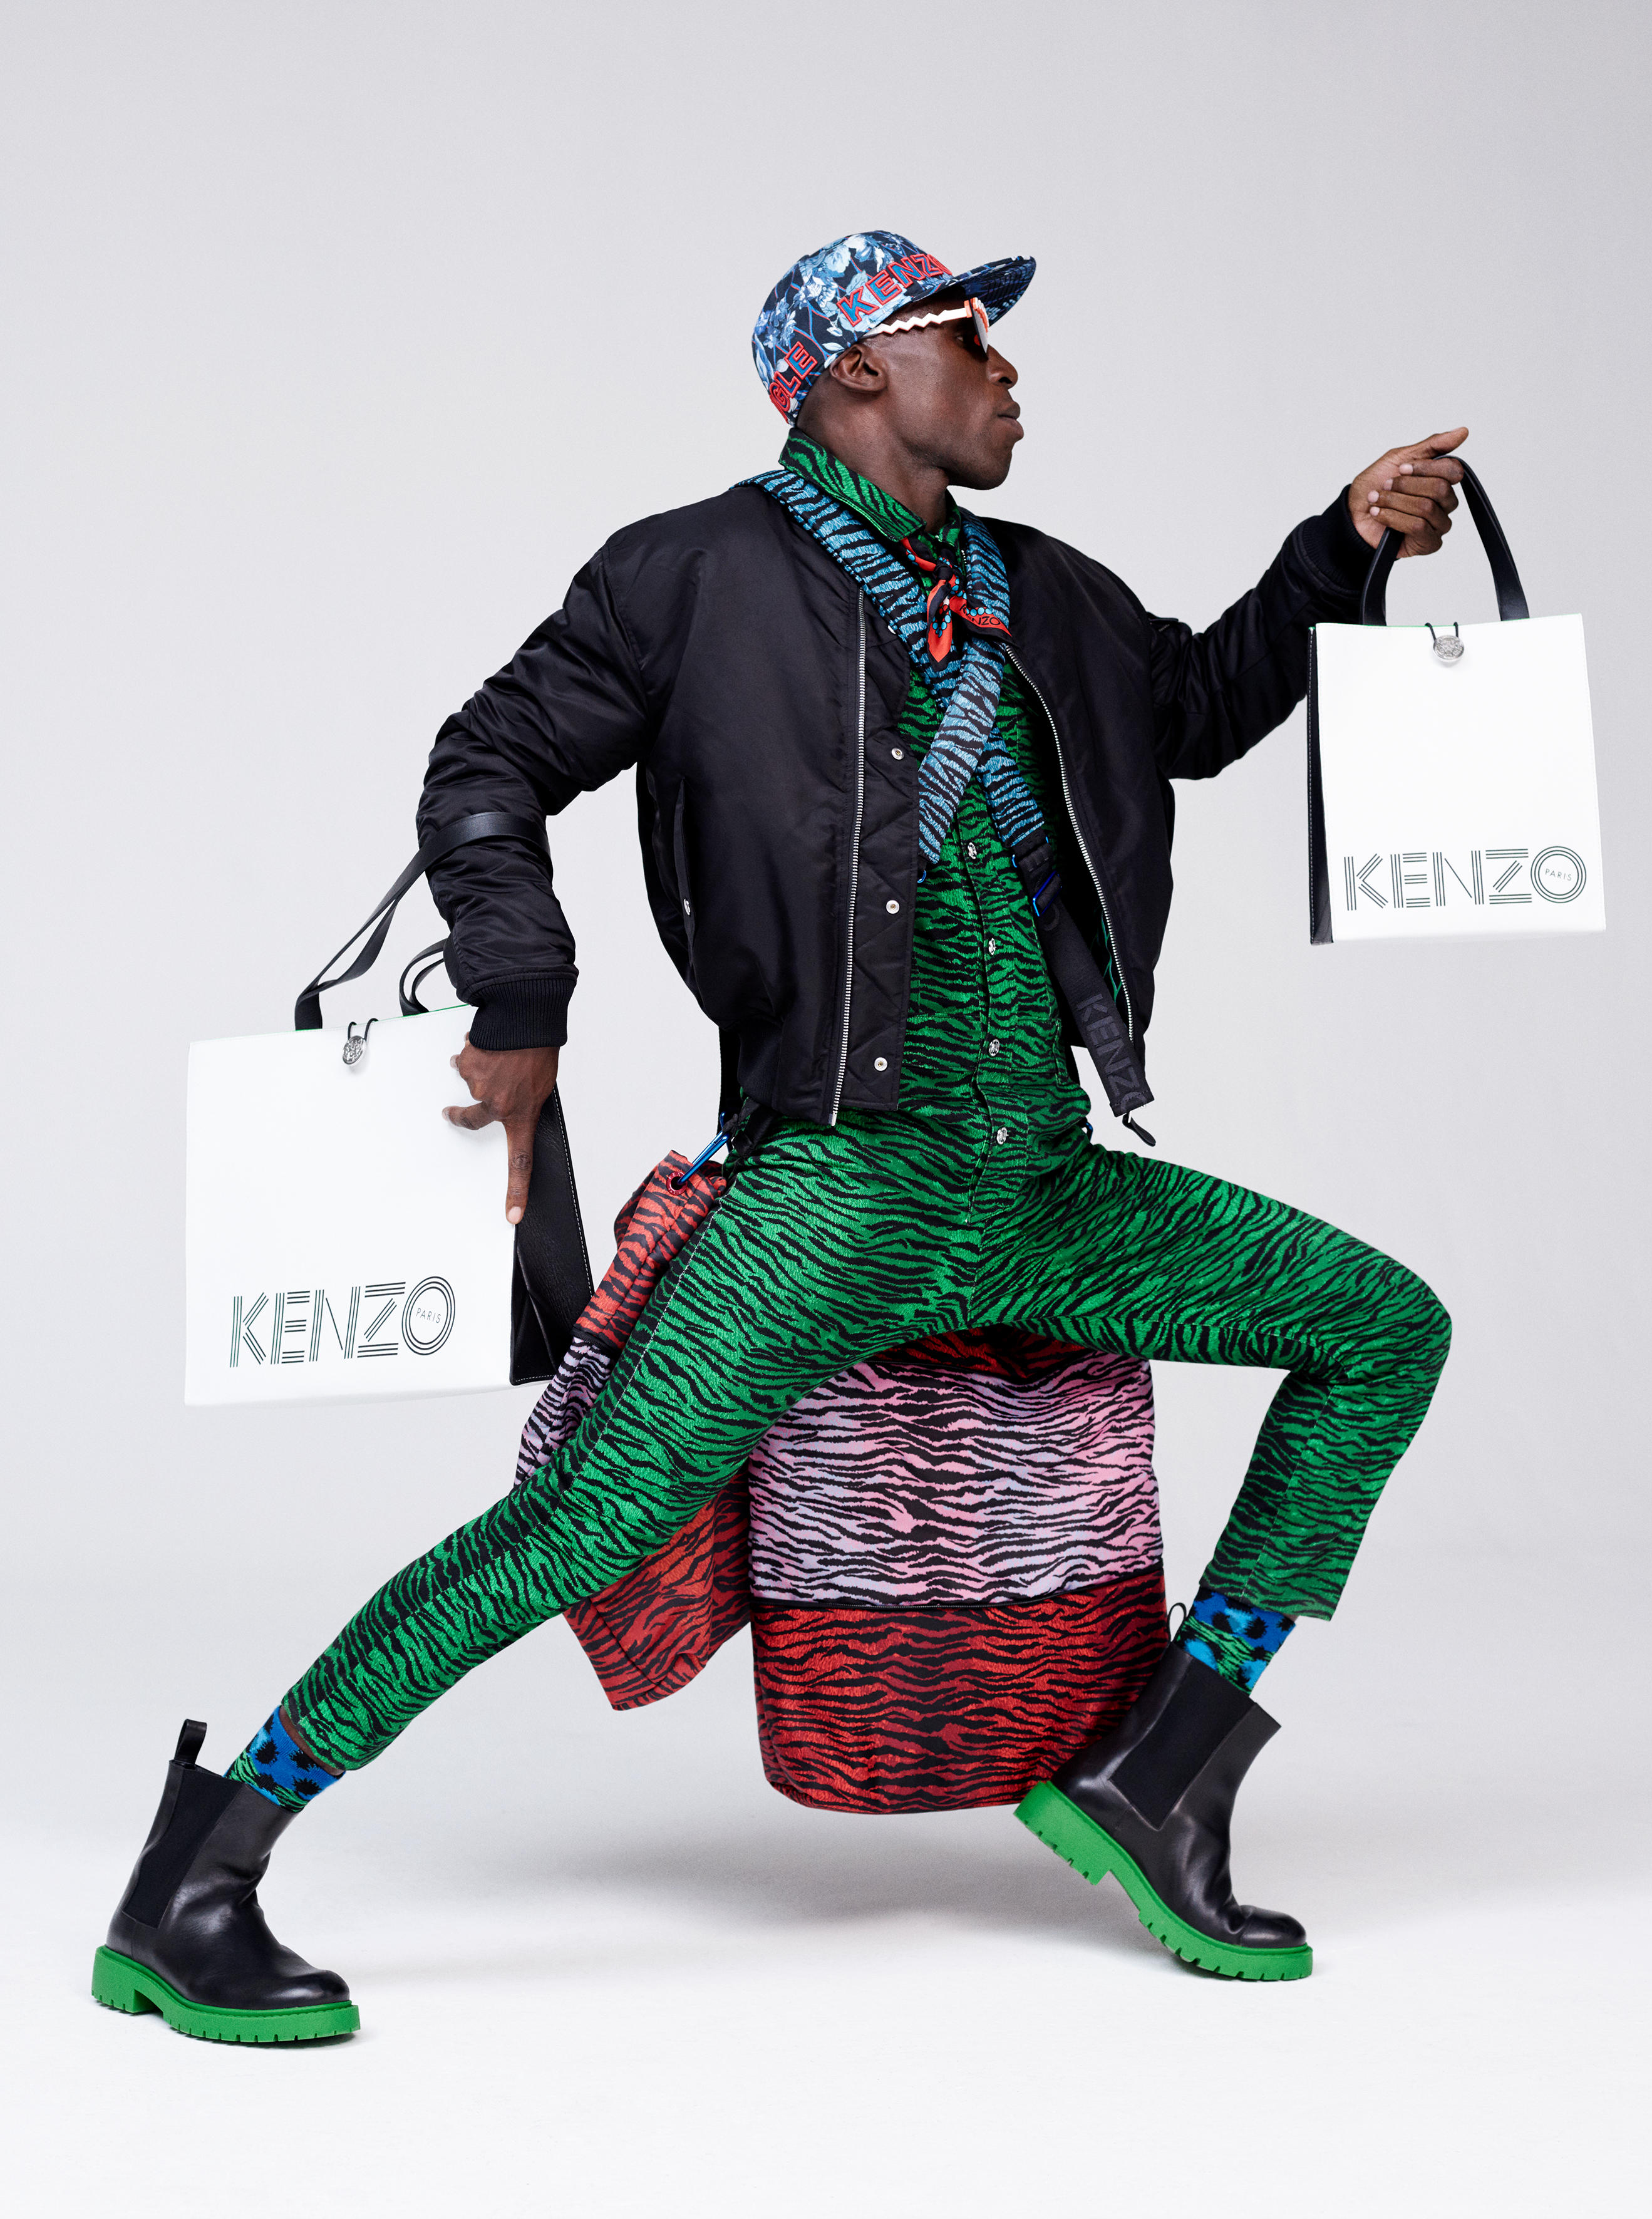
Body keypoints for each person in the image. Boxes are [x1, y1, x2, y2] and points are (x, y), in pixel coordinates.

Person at [96, 232, 1462, 2042]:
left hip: (1043, 1183)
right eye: (970, 337)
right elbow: (485, 762)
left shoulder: (1044, 589)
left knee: (1383, 1328)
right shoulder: (689, 577)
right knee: (579, 1527)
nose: (1008, 370)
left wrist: (1341, 546)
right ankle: (197, 1876)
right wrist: (521, 993)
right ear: (853, 370)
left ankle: (1168, 1769)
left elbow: (1196, 713)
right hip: (836, 1188)